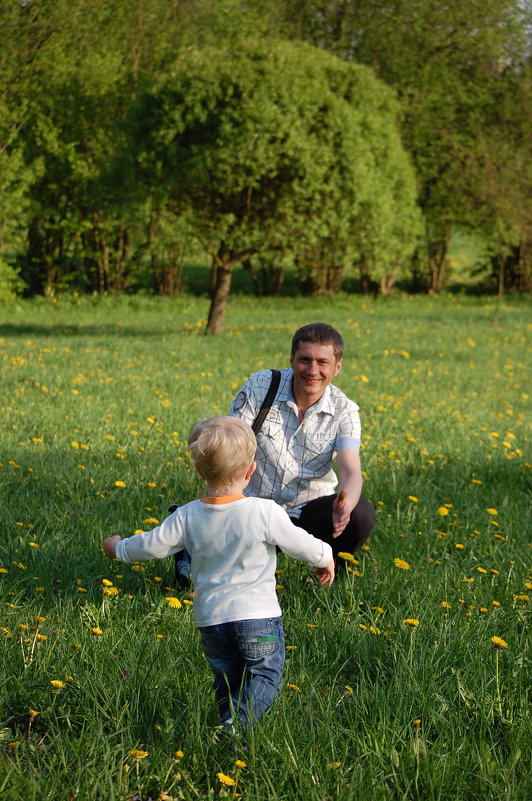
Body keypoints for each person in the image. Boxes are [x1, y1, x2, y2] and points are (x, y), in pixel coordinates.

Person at [103, 416, 334, 732]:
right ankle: (237, 727)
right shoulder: (264, 512)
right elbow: (299, 544)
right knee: (266, 674)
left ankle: (229, 727)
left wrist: (118, 548)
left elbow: (151, 545)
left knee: (227, 676)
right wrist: (325, 556)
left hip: (212, 621)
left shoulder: (186, 516)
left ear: (199, 471)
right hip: (258, 619)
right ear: (251, 471)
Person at [229, 321, 376, 559]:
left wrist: (345, 507)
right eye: (305, 360)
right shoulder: (262, 385)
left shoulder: (345, 411)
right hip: (254, 507)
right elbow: (230, 445)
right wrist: (223, 501)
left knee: (361, 513)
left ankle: (328, 570)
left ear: (337, 367)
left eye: (323, 362)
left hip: (308, 510)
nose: (312, 370)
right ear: (291, 359)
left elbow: (351, 470)